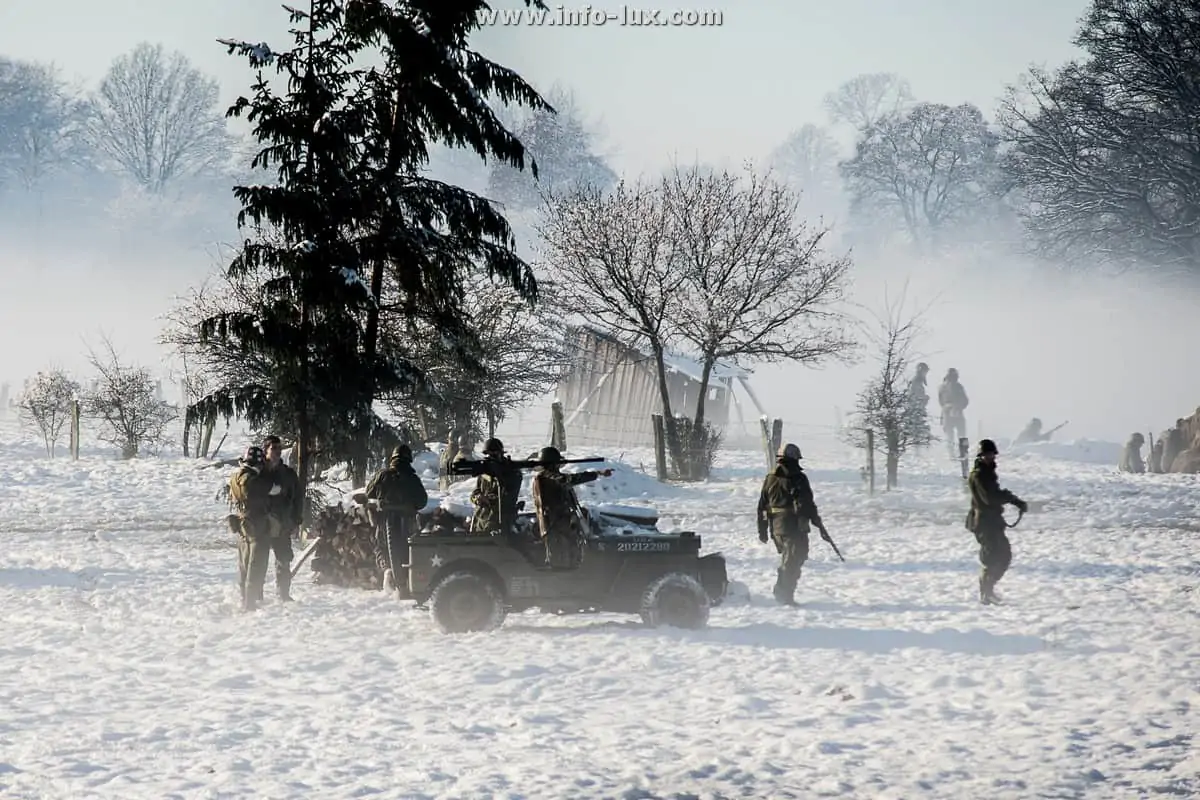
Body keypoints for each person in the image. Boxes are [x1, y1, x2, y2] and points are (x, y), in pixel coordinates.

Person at [756, 443, 826, 606]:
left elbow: (762, 507)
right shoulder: (798, 478)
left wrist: (762, 530)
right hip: (794, 528)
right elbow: (806, 504)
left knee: (789, 560)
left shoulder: (770, 478)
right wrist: (818, 524)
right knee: (793, 562)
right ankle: (784, 595)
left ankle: (782, 592)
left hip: (777, 528)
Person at [966, 438, 1027, 605]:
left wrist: (1013, 500)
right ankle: (986, 593)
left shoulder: (986, 473)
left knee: (1003, 556)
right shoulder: (980, 475)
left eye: (992, 455)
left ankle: (988, 590)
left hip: (991, 522)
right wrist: (1012, 499)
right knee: (994, 558)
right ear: (980, 456)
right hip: (985, 523)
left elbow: (993, 494)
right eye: (986, 455)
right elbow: (990, 498)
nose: (990, 458)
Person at [530, 446, 612, 569]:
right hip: (554, 524)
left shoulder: (550, 477)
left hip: (561, 522)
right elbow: (568, 479)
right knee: (558, 558)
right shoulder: (547, 477)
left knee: (570, 552)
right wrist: (596, 474)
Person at [365, 443, 429, 595]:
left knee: (380, 546)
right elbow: (422, 501)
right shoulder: (413, 478)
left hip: (385, 519)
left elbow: (369, 492)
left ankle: (388, 572)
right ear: (409, 459)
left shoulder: (383, 474)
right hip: (407, 520)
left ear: (393, 458)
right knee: (409, 549)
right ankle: (407, 581)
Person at [228, 445, 278, 612]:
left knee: (243, 564)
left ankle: (244, 598)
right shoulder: (253, 480)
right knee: (256, 564)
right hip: (256, 525)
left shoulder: (235, 477)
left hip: (241, 524)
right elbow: (274, 489)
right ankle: (250, 603)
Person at [260, 435, 302, 601]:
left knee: (284, 559)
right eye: (273, 448)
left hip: (283, 522)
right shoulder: (259, 472)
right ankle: (256, 594)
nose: (277, 452)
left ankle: (284, 594)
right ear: (266, 450)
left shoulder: (288, 474)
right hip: (262, 524)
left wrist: (296, 520)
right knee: (259, 561)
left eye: (279, 448)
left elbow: (298, 498)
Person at [468, 437, 524, 536]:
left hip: (500, 521)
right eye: (488, 455)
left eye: (494, 454)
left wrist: (488, 499)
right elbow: (476, 492)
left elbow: (507, 498)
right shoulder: (485, 471)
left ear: (501, 454)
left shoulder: (512, 473)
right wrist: (477, 498)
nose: (491, 458)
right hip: (481, 518)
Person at [937, 368, 969, 458]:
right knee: (958, 434)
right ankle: (959, 453)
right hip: (952, 413)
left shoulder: (943, 387)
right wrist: (956, 407)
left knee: (953, 435)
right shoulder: (956, 387)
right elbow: (965, 400)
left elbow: (941, 401)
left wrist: (954, 406)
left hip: (951, 413)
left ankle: (956, 453)